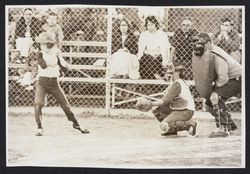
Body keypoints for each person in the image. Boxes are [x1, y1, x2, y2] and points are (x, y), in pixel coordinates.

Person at [33, 32, 89, 136]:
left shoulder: (56, 54)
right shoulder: (40, 54)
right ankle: (39, 127)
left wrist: (60, 57)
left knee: (66, 106)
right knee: (38, 103)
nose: (42, 46)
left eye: (44, 44)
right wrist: (52, 60)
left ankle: (76, 124)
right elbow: (43, 65)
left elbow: (66, 69)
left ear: (49, 45)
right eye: (41, 44)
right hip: (42, 83)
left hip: (54, 84)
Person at [192, 33, 241, 138]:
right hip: (228, 79)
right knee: (208, 105)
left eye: (201, 44)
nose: (197, 46)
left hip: (238, 79)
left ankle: (222, 129)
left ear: (209, 43)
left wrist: (213, 90)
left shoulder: (215, 53)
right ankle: (229, 125)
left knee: (215, 97)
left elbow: (223, 78)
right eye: (195, 44)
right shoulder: (205, 53)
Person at [135, 65, 197, 136]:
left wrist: (151, 103)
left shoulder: (177, 84)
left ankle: (189, 124)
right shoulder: (176, 82)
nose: (168, 75)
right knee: (157, 110)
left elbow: (164, 101)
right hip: (179, 108)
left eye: (171, 74)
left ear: (177, 73)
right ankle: (171, 131)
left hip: (185, 110)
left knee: (163, 125)